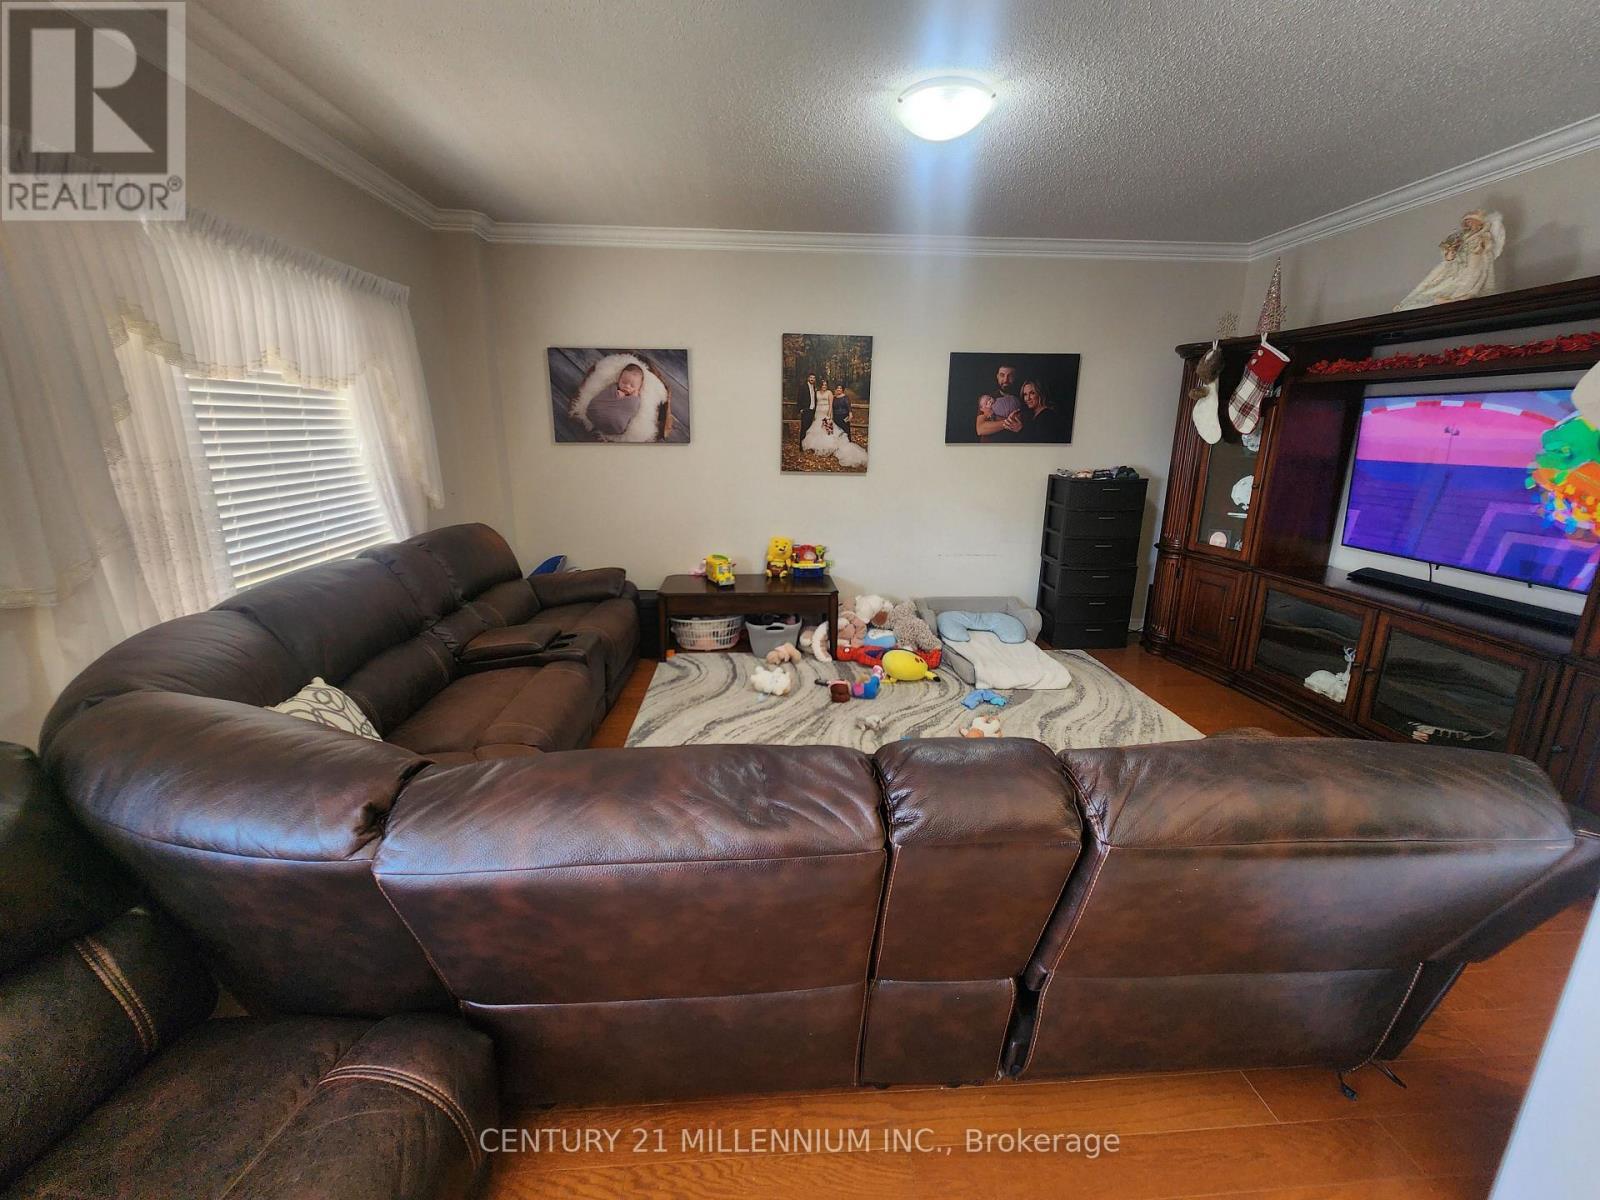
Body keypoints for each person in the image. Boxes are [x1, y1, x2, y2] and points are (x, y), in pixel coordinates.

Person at [802, 383, 867, 467]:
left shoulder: (845, 397)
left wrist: (850, 414)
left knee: (844, 433)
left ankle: (846, 447)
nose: (839, 390)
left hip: (843, 417)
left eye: (840, 388)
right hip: (835, 417)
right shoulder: (835, 397)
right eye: (837, 389)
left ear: (842, 390)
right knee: (828, 431)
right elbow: (831, 405)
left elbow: (848, 407)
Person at [585, 362, 646, 437]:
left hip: (616, 424)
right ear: (619, 379)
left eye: (632, 385)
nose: (627, 386)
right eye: (624, 382)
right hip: (596, 411)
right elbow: (604, 395)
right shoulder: (613, 388)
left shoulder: (635, 398)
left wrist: (633, 397)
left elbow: (633, 406)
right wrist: (617, 394)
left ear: (639, 387)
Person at [975, 362, 1023, 441]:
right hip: (989, 450)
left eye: (1010, 375)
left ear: (1015, 377)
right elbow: (980, 429)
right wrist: (1010, 422)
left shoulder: (1022, 398)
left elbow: (1021, 425)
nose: (1005, 380)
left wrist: (994, 418)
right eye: (1002, 375)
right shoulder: (988, 399)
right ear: (997, 376)